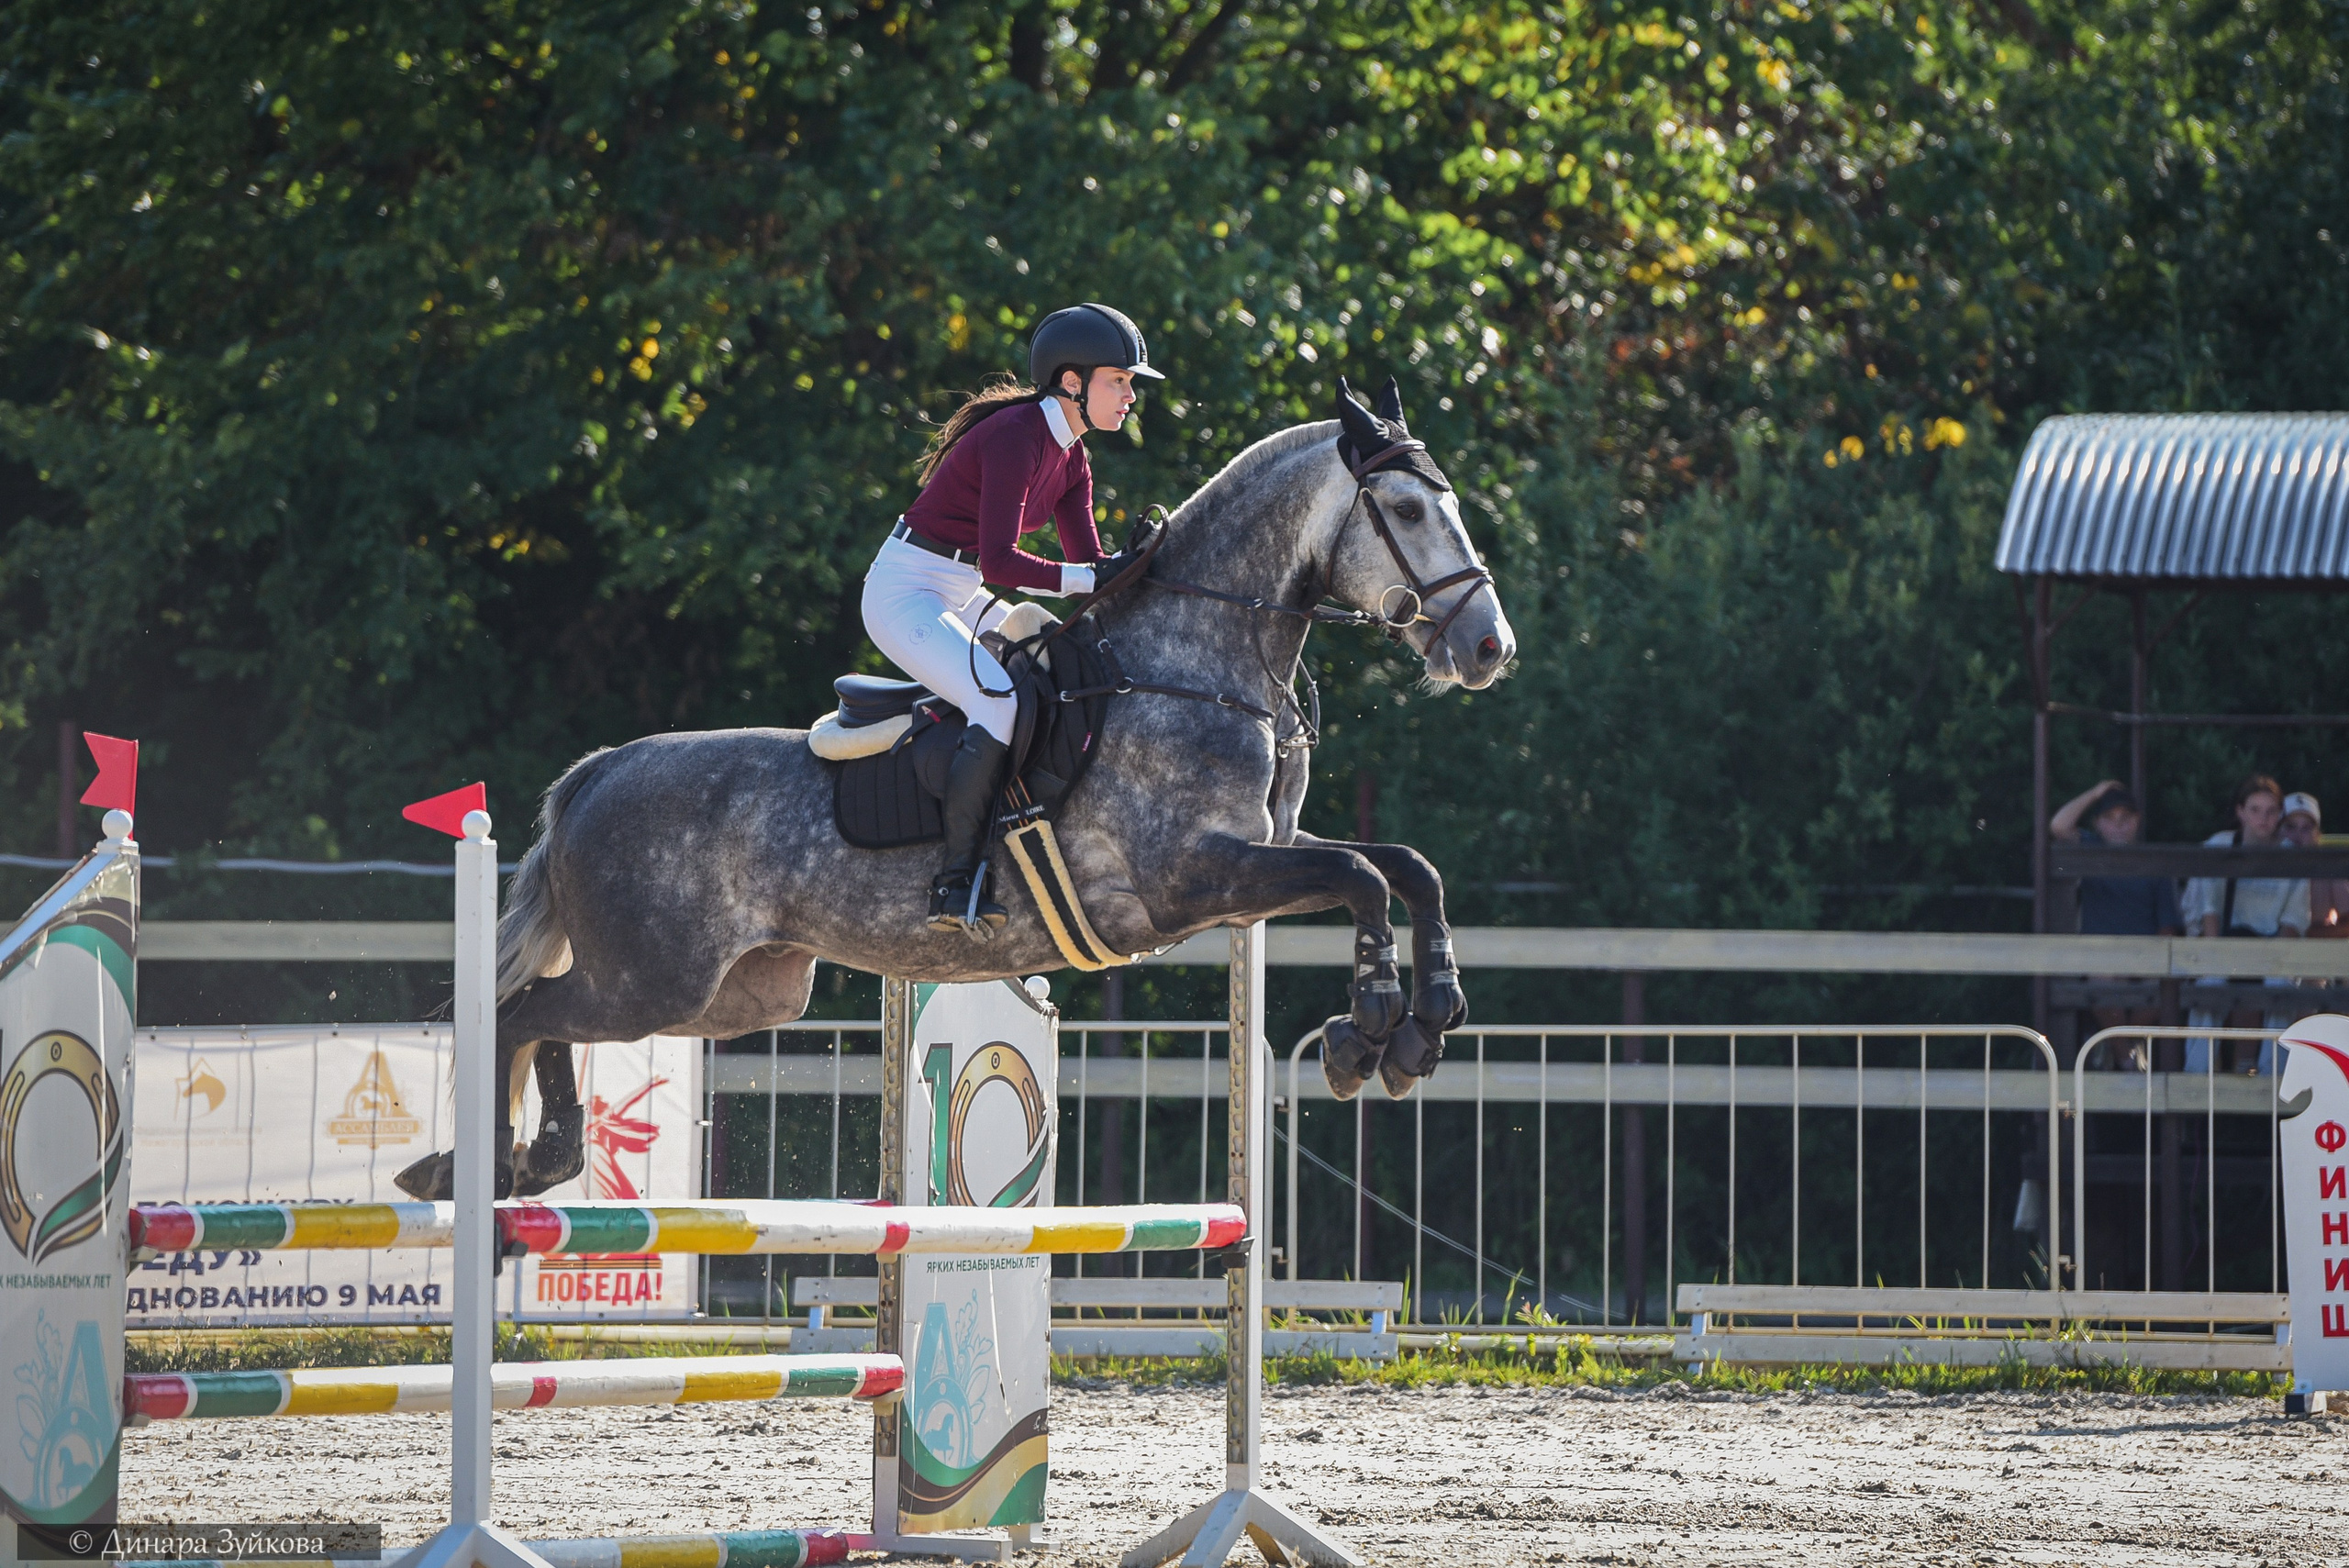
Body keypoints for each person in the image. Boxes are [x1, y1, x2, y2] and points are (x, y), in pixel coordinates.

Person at [861, 304, 1161, 935]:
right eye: (1121, 380)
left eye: (1132, 384)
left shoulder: (1074, 458)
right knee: (997, 700)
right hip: (905, 591)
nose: (1132, 395)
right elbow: (1002, 560)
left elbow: (1088, 568)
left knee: (1046, 667)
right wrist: (1092, 577)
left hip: (956, 585)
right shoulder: (1016, 436)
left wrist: (1140, 568)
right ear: (1072, 382)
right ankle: (955, 879)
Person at [2181, 773, 2309, 1073]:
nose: (2263, 819)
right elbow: (2208, 911)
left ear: (2279, 815)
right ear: (2240, 812)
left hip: (2272, 952)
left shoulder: (2293, 857)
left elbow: (2293, 921)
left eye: (2270, 811)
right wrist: (2218, 959)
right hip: (2226, 946)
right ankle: (2196, 1080)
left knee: (2281, 987)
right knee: (2209, 987)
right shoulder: (2219, 846)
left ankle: (2273, 1079)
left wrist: (2271, 960)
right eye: (2255, 810)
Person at [2048, 781, 2180, 1047]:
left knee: (2164, 984)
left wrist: (2156, 959)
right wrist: (2096, 791)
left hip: (2145, 955)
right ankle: (2127, 1057)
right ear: (2097, 823)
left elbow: (2168, 925)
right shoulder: (2089, 847)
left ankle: (2124, 1052)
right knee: (2103, 981)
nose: (2118, 824)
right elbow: (2059, 826)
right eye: (2109, 817)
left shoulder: (2155, 862)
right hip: (2102, 955)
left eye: (2126, 817)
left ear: (2137, 820)